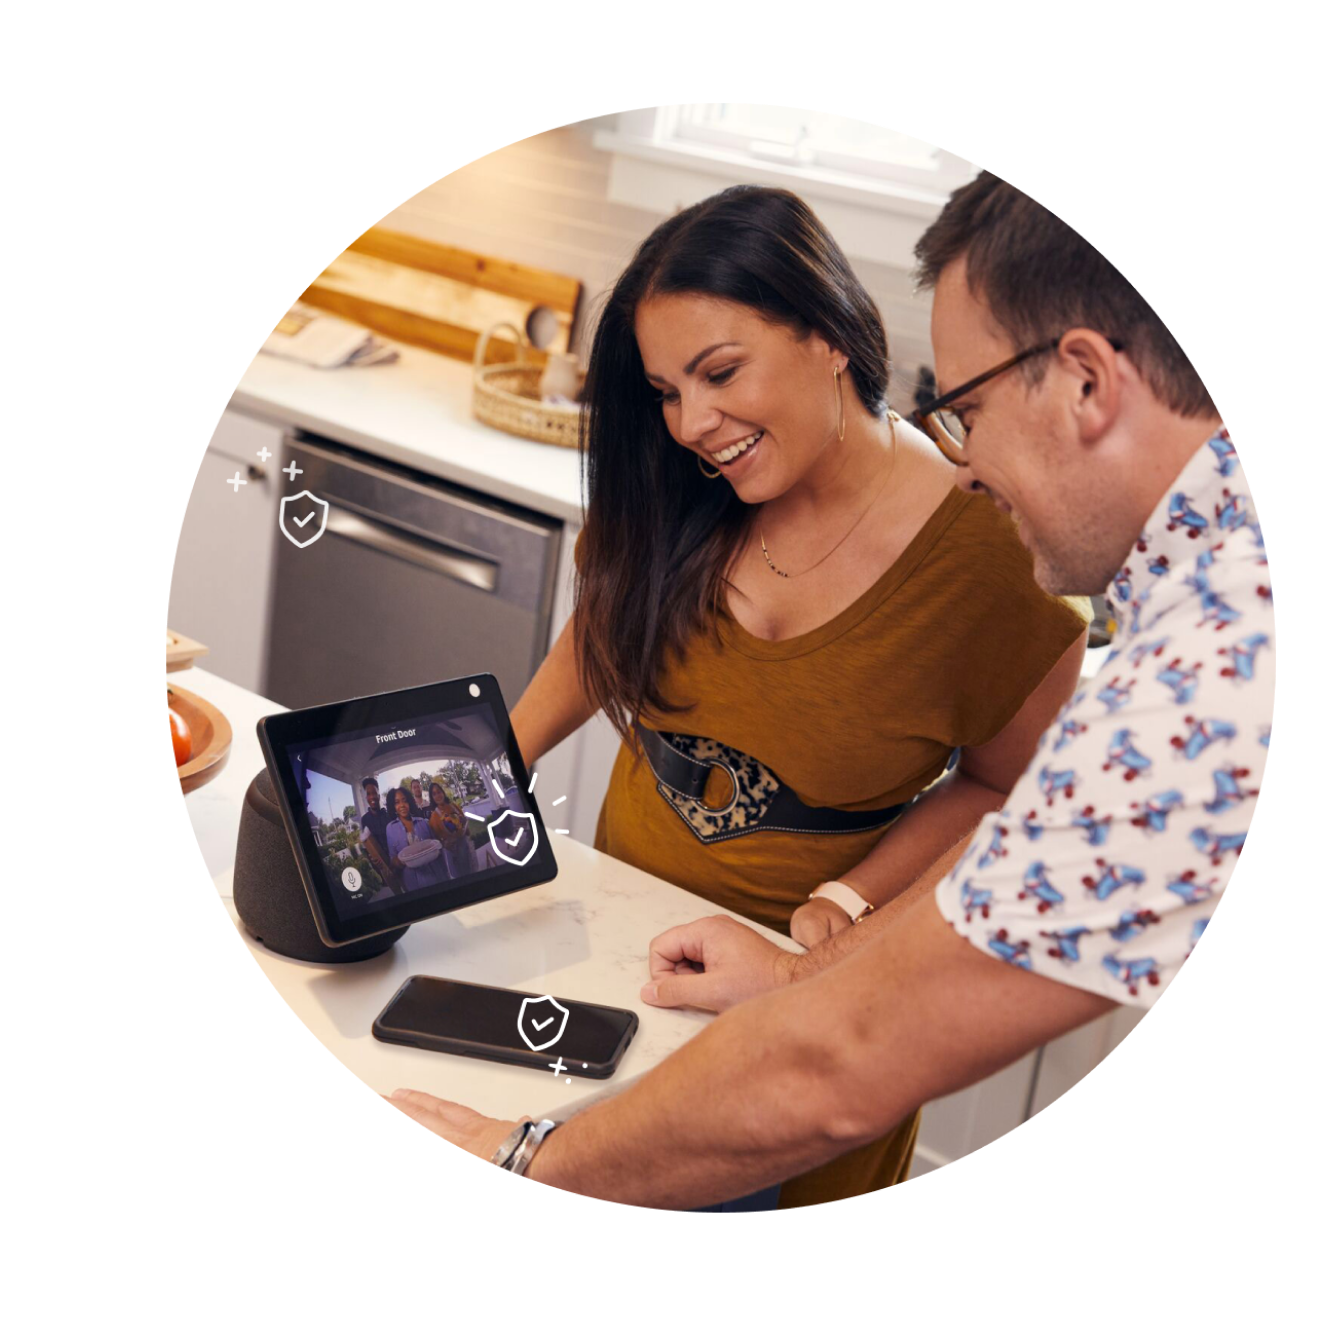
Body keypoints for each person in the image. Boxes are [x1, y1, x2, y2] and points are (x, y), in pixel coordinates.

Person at [388, 171, 1271, 1208]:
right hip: (621, 950)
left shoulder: (1202, 692)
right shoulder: (1205, 598)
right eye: (670, 394)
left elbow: (838, 1061)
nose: (965, 458)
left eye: (970, 408)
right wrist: (488, 772)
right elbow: (607, 633)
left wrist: (525, 1158)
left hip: (770, 1055)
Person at [384, 786, 448, 890]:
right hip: (413, 884)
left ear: (409, 802)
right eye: (397, 802)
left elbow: (438, 848)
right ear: (393, 806)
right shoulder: (390, 829)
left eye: (404, 801)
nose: (402, 805)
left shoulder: (423, 822)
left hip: (437, 878)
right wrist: (400, 861)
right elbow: (393, 859)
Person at [357, 777, 402, 897]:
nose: (372, 797)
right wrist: (372, 859)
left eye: (374, 793)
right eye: (369, 794)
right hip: (384, 868)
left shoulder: (389, 815)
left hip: (400, 863)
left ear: (379, 794)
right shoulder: (365, 820)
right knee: (398, 895)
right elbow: (367, 846)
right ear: (366, 797)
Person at [428, 782, 479, 879]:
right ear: (432, 798)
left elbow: (464, 821)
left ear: (443, 792)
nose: (438, 795)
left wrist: (465, 824)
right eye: (434, 794)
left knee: (473, 871)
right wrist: (443, 843)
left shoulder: (454, 806)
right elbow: (435, 840)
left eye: (439, 792)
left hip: (466, 845)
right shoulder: (434, 817)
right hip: (453, 853)